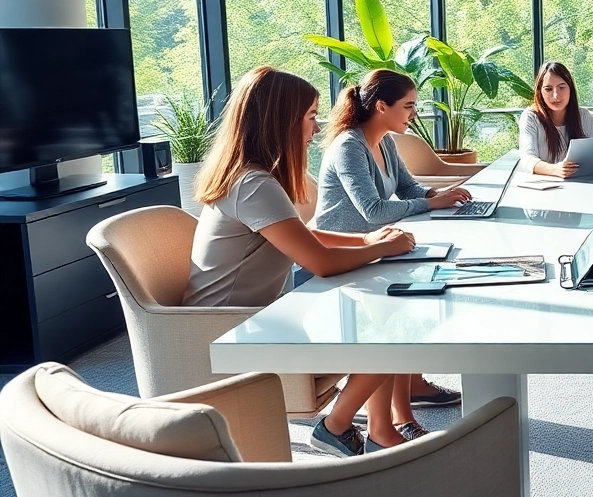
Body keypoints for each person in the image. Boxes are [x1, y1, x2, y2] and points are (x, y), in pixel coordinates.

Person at [184, 66, 421, 457]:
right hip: (232, 328)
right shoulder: (253, 184)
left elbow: (300, 234)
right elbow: (321, 262)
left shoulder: (254, 176)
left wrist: (365, 239)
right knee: (392, 328)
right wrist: (381, 248)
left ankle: (360, 426)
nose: (316, 129)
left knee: (388, 314)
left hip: (262, 314)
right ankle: (335, 426)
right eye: (310, 117)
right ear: (280, 120)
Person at [314, 68, 472, 409]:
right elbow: (373, 211)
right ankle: (404, 398)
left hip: (376, 248)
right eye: (408, 106)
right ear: (382, 106)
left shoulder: (384, 140)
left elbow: (408, 188)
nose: (414, 115)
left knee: (427, 282)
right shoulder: (349, 146)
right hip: (343, 254)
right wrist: (430, 203)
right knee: (409, 302)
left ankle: (411, 385)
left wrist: (442, 195)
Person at [518, 61, 593, 177]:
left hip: (584, 185)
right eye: (548, 89)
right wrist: (554, 169)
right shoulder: (531, 117)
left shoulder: (583, 115)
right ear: (540, 92)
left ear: (570, 89)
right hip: (545, 188)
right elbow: (527, 159)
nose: (556, 96)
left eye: (561, 87)